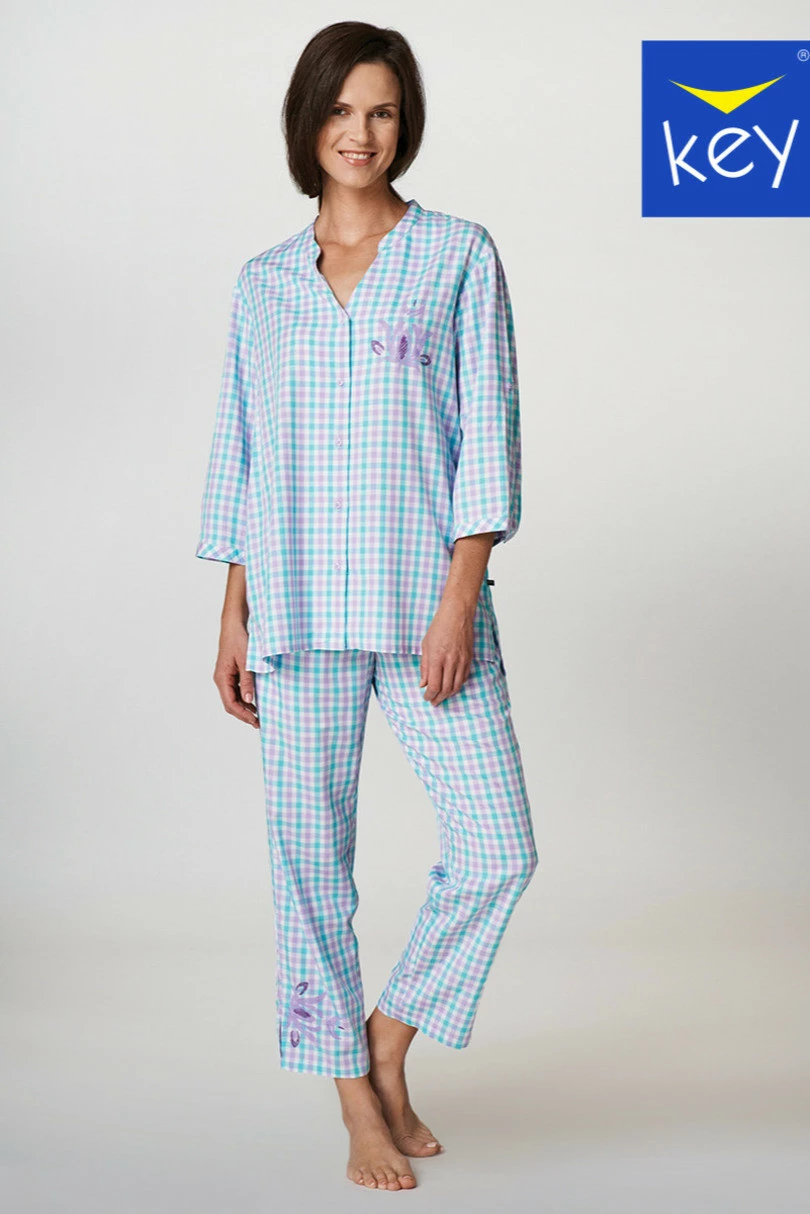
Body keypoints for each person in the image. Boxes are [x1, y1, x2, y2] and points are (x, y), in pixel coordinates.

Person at [194, 20, 538, 1193]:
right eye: (341, 110)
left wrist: (461, 596)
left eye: (382, 110)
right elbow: (243, 455)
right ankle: (354, 1095)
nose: (361, 132)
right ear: (309, 122)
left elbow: (488, 436)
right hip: (295, 607)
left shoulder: (456, 255)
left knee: (498, 845)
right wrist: (233, 613)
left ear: (406, 123)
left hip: (424, 604)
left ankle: (388, 1037)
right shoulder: (264, 284)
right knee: (310, 865)